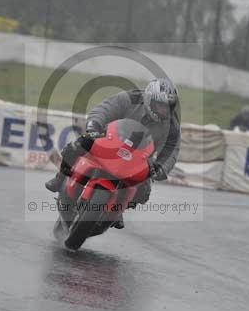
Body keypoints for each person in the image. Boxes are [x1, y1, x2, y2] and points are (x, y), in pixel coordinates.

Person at [45, 78, 181, 229]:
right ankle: (59, 179)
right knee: (77, 145)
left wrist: (161, 167)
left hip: (139, 158)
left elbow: (172, 149)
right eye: (161, 105)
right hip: (109, 140)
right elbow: (105, 109)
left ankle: (119, 208)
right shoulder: (130, 98)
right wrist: (94, 125)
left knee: (144, 190)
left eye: (168, 106)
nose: (165, 110)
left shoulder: (172, 125)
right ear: (149, 99)